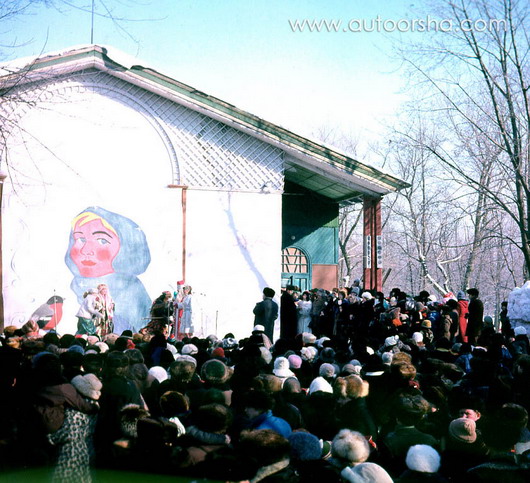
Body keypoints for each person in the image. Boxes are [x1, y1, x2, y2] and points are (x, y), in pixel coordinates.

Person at [65, 206, 152, 334]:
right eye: (81, 239)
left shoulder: (132, 292)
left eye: (102, 240)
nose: (86, 250)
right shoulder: (72, 288)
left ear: (125, 247)